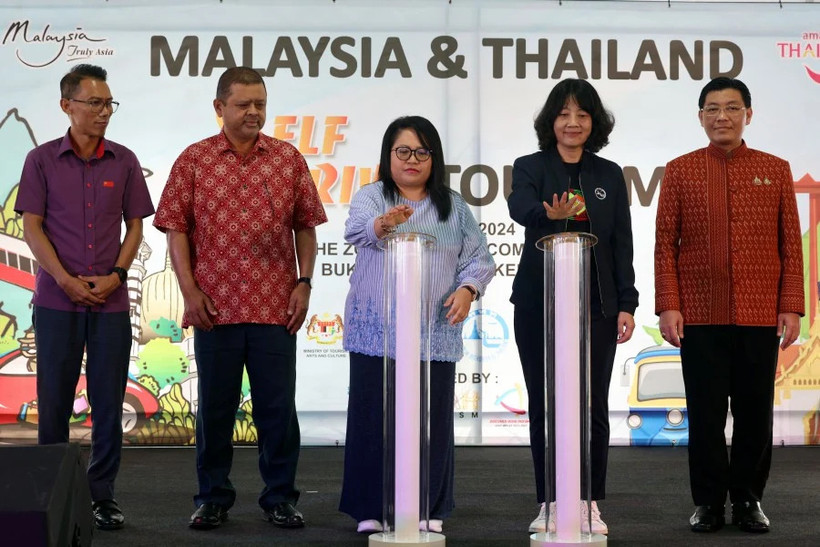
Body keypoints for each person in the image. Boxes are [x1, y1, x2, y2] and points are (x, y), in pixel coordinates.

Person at [153, 66, 327, 531]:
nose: (254, 112)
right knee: (215, 410)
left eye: (261, 104)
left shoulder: (288, 159)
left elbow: (305, 226)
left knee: (277, 410)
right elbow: (176, 228)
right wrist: (189, 291)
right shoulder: (194, 160)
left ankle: (280, 498)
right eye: (243, 104)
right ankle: (212, 498)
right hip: (215, 309)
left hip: (276, 308)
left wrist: (304, 282)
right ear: (219, 108)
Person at [654, 77, 803, 534]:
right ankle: (708, 504)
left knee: (756, 413)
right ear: (700, 117)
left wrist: (791, 304)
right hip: (698, 313)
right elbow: (664, 244)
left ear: (748, 115)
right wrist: (668, 304)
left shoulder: (775, 169)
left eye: (732, 108)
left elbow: (790, 245)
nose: (723, 116)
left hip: (760, 312)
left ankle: (748, 500)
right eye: (713, 108)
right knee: (704, 414)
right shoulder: (679, 170)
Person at [14, 64, 155, 530]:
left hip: (110, 302)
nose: (104, 112)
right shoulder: (40, 160)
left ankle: (102, 496)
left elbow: (136, 225)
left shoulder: (125, 160)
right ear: (66, 105)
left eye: (109, 103)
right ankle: (50, 494)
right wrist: (65, 279)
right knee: (52, 401)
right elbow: (31, 226)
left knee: (109, 401)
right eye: (94, 103)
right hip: (57, 300)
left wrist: (117, 275)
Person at [339, 115, 495, 534]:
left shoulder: (454, 206)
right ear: (388, 155)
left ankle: (430, 508)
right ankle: (370, 508)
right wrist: (385, 223)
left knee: (432, 422)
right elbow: (355, 231)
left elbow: (478, 259)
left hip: (433, 333)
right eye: (402, 151)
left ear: (434, 158)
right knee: (373, 418)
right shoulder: (372, 196)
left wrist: (467, 290)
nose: (412, 160)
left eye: (422, 152)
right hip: (378, 334)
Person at [507, 79, 638, 536]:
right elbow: (520, 209)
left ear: (594, 123)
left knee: (592, 406)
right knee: (545, 404)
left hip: (598, 306)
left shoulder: (608, 174)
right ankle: (548, 500)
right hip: (537, 304)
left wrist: (627, 302)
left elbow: (622, 242)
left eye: (582, 114)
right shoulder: (529, 166)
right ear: (551, 121)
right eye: (564, 113)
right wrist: (552, 212)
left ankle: (586, 502)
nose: (573, 122)